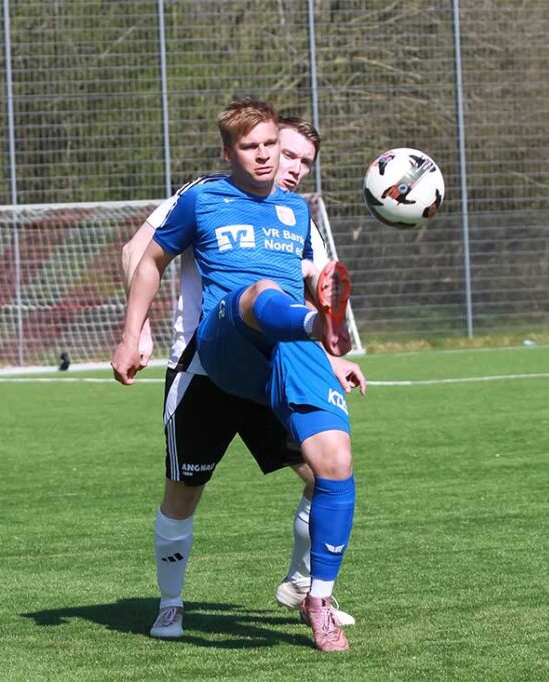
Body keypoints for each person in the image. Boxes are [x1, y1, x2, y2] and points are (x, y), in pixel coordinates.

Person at [113, 99, 357, 652]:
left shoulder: (297, 214)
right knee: (184, 493)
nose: (274, 159)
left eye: (281, 149)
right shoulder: (201, 197)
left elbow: (316, 278)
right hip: (211, 357)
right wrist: (135, 332)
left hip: (277, 359)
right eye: (257, 147)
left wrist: (330, 352)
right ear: (230, 153)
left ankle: (311, 592)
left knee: (332, 470)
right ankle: (170, 602)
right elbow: (142, 254)